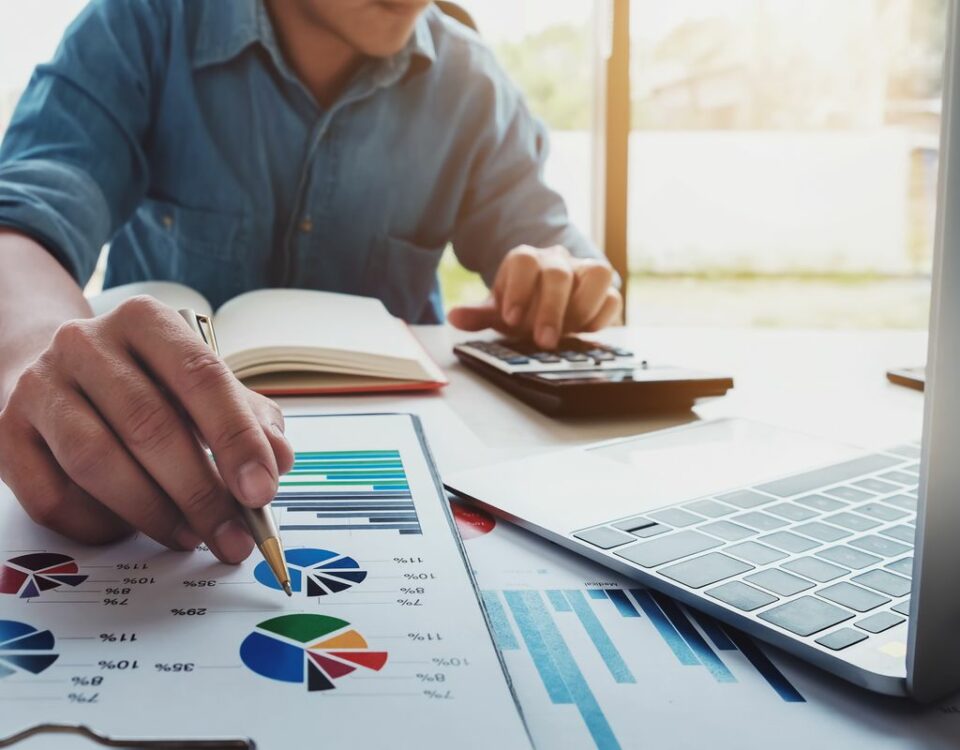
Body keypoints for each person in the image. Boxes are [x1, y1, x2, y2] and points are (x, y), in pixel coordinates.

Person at [0, 0, 622, 563]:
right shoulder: (139, 25)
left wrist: (565, 287)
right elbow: (21, 218)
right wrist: (34, 351)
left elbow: (569, 262)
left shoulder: (472, 82)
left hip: (405, 473)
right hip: (161, 460)